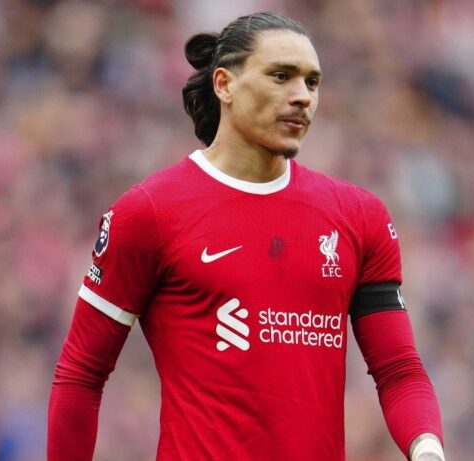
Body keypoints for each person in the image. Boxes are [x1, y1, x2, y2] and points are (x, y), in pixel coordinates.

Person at [48, 12, 445, 461]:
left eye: (312, 82)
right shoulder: (150, 211)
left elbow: (399, 370)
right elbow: (82, 373)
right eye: (281, 76)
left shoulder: (358, 216)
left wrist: (427, 449)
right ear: (224, 85)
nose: (303, 96)